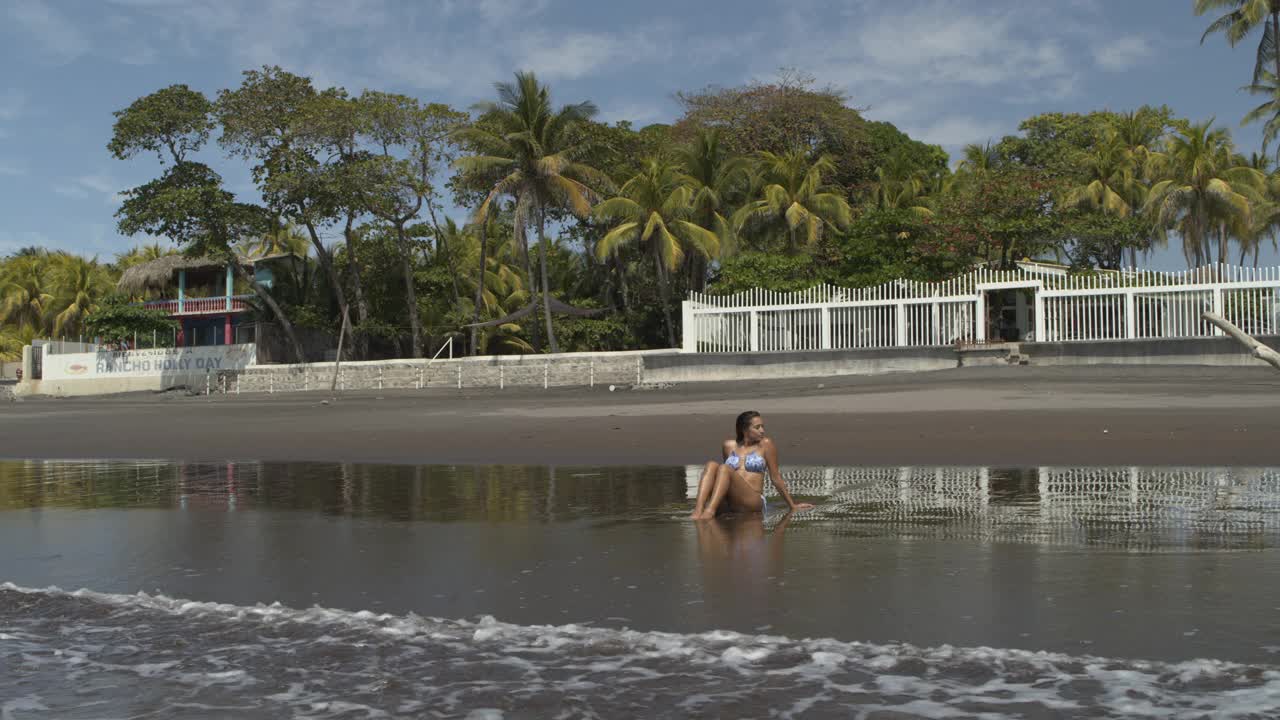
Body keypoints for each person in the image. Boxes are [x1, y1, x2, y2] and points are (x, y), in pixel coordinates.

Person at [690, 411, 814, 519]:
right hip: (730, 501)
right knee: (711, 465)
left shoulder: (766, 444)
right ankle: (698, 510)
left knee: (724, 468)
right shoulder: (728, 446)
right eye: (757, 427)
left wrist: (792, 505)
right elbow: (725, 480)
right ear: (744, 429)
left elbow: (775, 477)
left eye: (762, 426)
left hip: (752, 501)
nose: (762, 430)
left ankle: (710, 511)